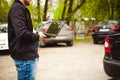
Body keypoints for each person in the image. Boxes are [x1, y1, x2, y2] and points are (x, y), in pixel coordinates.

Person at [8, 0, 46, 80]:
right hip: (25, 58)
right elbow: (22, 33)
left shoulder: (20, 8)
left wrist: (37, 34)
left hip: (27, 57)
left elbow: (24, 31)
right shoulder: (17, 8)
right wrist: (37, 36)